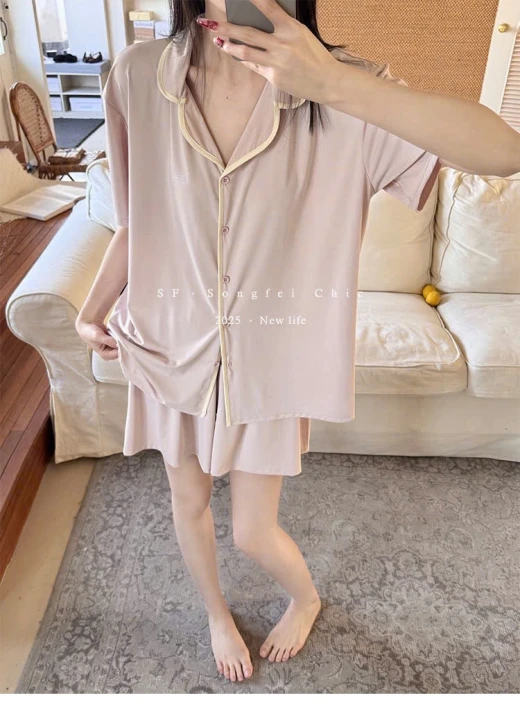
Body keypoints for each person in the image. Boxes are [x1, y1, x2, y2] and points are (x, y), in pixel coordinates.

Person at [76, 0, 520, 684]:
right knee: (186, 503)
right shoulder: (138, 74)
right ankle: (216, 613)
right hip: (169, 348)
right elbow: (138, 221)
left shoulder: (342, 90)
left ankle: (306, 597)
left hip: (270, 364)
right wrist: (92, 310)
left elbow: (504, 152)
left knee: (253, 531)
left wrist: (336, 84)